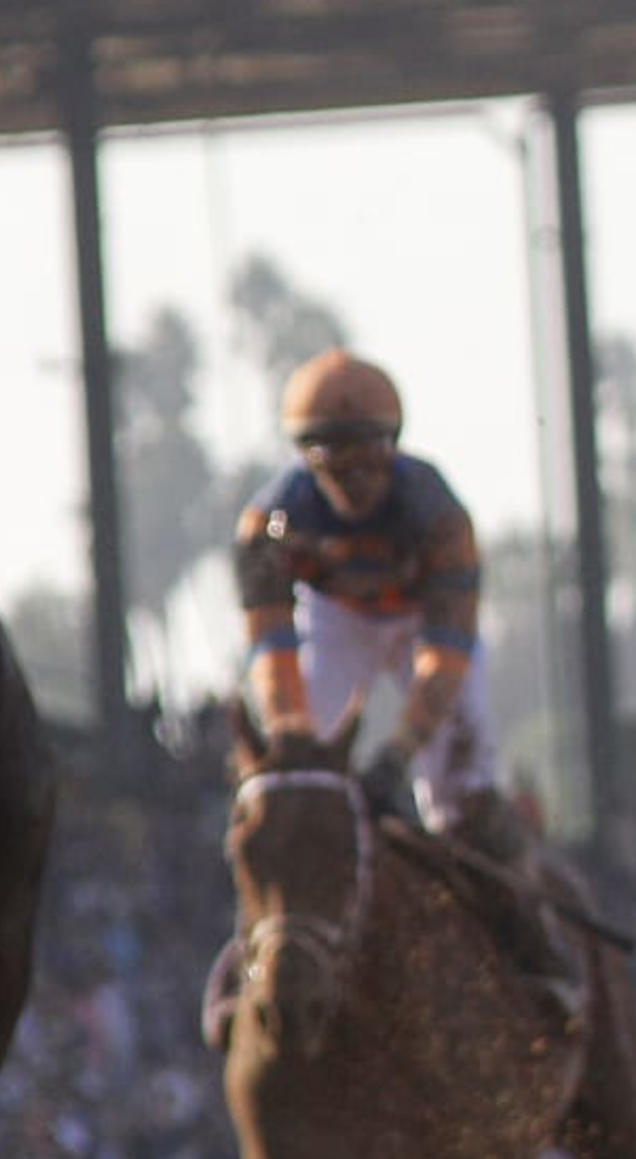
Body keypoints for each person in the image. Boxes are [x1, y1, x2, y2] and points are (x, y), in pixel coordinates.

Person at [231, 347, 580, 1016]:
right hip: (335, 620)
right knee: (286, 784)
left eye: (368, 457)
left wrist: (395, 756)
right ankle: (251, 952)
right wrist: (293, 736)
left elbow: (445, 661)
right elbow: (272, 653)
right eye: (335, 460)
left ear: (394, 446)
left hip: (423, 624)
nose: (355, 479)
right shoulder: (265, 529)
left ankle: (536, 951)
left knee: (462, 793)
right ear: (305, 458)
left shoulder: (441, 518)